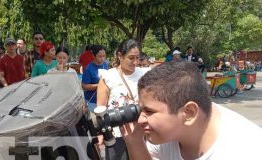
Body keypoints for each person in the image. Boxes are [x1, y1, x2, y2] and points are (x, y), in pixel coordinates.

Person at [120, 61, 262, 160]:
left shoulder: (246, 151)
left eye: (149, 111)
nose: (140, 120)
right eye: (141, 110)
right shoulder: (165, 133)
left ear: (189, 113)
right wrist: (135, 142)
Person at [96, 39, 150, 159]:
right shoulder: (108, 77)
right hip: (117, 135)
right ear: (120, 56)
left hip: (142, 131)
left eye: (138, 58)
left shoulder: (144, 75)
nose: (135, 62)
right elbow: (100, 109)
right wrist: (101, 134)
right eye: (131, 58)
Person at [82, 45, 109, 112]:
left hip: (103, 100)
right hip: (92, 102)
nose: (102, 58)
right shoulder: (89, 68)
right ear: (94, 56)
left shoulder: (105, 65)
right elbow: (84, 86)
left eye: (104, 56)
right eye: (100, 56)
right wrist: (100, 85)